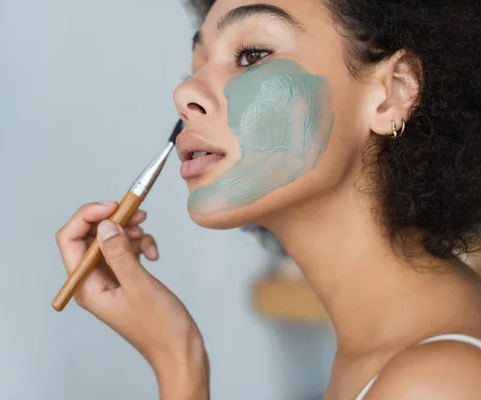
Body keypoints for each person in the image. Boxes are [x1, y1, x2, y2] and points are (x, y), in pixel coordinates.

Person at [56, 0, 481, 398]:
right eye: (198, 64)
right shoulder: (394, 355)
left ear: (393, 94)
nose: (184, 94)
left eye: (252, 55)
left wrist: (177, 359)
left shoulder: (434, 383)